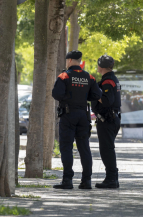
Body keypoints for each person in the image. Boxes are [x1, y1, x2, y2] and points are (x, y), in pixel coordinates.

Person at [52, 50, 102, 189]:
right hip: (83, 115)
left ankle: (67, 180)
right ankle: (86, 181)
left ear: (69, 61)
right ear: (79, 61)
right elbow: (97, 94)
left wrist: (68, 99)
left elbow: (56, 94)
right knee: (84, 148)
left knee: (66, 147)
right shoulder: (89, 77)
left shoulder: (64, 76)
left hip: (68, 115)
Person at [91, 55, 121, 188]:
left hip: (108, 120)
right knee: (108, 149)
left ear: (101, 66)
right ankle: (113, 178)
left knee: (106, 150)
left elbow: (107, 100)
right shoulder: (112, 79)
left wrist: (96, 94)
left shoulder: (108, 81)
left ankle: (111, 179)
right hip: (112, 118)